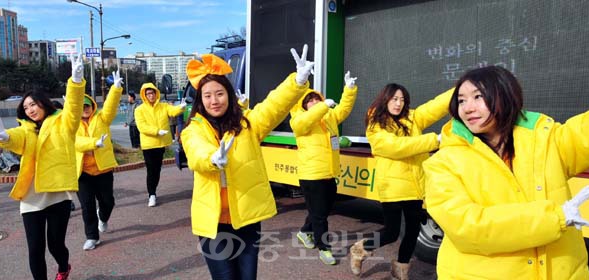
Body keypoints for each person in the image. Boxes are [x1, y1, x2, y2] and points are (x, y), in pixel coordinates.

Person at [422, 65, 589, 279]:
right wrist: (555, 218)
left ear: (505, 95)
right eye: (461, 100)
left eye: (478, 97)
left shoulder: (547, 142)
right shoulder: (443, 163)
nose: (467, 108)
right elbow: (469, 227)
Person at [181, 45, 313, 279]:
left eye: (219, 93)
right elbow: (195, 152)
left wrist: (297, 81)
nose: (214, 101)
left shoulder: (247, 124)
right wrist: (212, 159)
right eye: (208, 95)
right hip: (213, 224)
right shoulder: (192, 130)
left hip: (246, 220)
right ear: (200, 100)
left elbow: (273, 107)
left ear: (229, 95)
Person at [0, 54, 85, 280]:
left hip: (57, 194)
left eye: (33, 104)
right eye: (26, 107)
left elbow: (73, 108)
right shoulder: (26, 130)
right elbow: (16, 137)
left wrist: (76, 81)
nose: (30, 109)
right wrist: (3, 137)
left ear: (43, 102)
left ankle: (63, 267)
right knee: (35, 249)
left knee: (55, 245)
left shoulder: (63, 123)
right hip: (31, 197)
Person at [349, 83, 453, 279]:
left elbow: (436, 105)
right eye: (394, 99)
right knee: (391, 232)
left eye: (402, 100)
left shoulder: (412, 118)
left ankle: (400, 269)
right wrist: (435, 140)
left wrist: (460, 90)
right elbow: (396, 147)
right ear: (385, 99)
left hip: (415, 186)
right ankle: (359, 250)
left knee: (412, 232)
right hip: (393, 188)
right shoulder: (375, 126)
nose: (398, 104)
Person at [291, 71, 358, 265]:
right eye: (309, 100)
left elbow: (343, 110)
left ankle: (304, 232)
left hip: (329, 173)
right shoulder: (299, 120)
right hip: (311, 176)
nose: (314, 102)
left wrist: (350, 90)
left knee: (322, 210)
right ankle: (324, 248)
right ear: (303, 105)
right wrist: (322, 107)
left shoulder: (327, 118)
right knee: (320, 216)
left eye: (316, 99)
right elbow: (304, 122)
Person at [74, 70, 124, 251]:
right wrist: (94, 143)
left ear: (92, 106)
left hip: (103, 170)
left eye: (87, 106)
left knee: (108, 202)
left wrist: (116, 89)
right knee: (87, 206)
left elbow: (110, 106)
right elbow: (75, 143)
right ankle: (92, 236)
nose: (84, 109)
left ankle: (103, 218)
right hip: (82, 172)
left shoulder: (102, 118)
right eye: (81, 106)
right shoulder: (71, 124)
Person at [134, 82, 187, 207]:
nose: (150, 96)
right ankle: (151, 194)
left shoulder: (163, 106)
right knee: (151, 170)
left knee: (157, 170)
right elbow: (142, 127)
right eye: (148, 94)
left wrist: (181, 106)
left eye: (152, 93)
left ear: (156, 93)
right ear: (144, 95)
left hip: (161, 144)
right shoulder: (139, 110)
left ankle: (153, 192)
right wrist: (157, 131)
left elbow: (173, 111)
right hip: (148, 145)